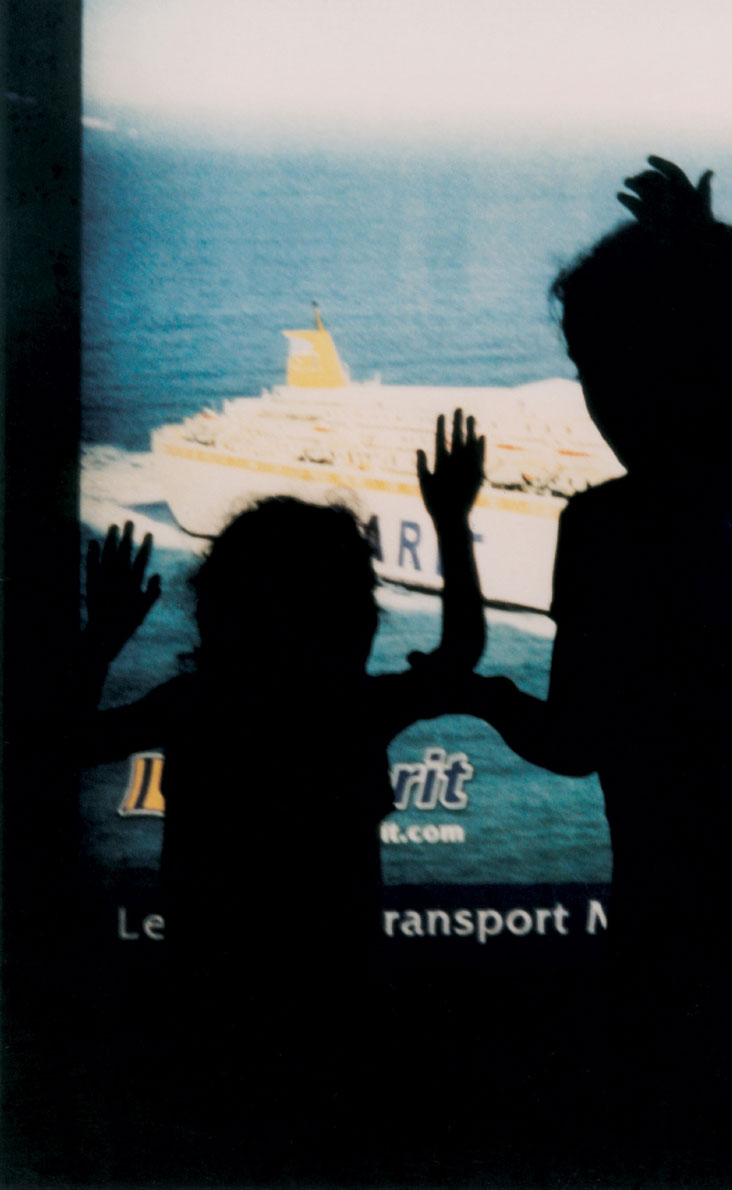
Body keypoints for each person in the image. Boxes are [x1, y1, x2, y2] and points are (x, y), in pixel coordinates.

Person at [454, 158, 732, 1162]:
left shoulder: (612, 525)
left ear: (644, 379)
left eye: (592, 368)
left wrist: (478, 690)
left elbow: (573, 740)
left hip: (688, 916)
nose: (590, 397)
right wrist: (699, 247)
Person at [77, 411, 485, 1172]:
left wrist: (99, 639)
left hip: (206, 1008)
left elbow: (60, 743)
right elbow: (461, 650)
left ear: (218, 610)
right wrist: (453, 525)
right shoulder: (354, 709)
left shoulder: (195, 704)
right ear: (355, 617)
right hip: (344, 1006)